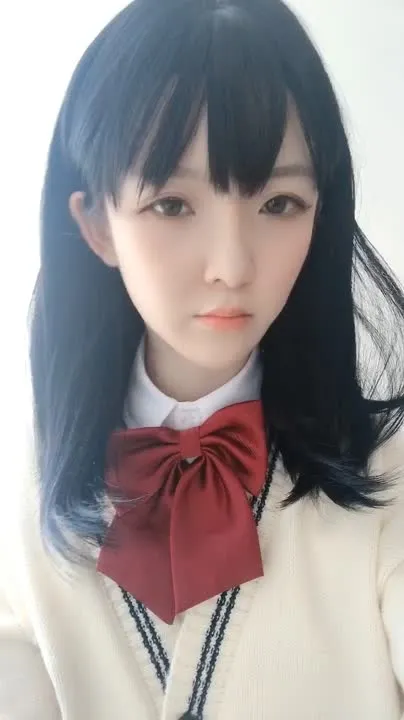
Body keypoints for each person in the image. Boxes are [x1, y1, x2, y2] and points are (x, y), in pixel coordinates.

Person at [1, 0, 404, 717]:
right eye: (171, 205)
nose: (231, 266)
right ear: (97, 225)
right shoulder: (22, 494)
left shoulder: (389, 476)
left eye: (279, 203)